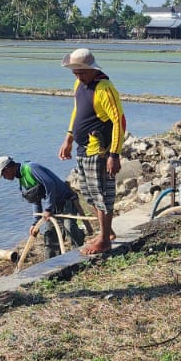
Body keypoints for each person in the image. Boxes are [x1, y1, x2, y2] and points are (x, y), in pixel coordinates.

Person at [59, 47, 126, 256]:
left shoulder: (104, 88)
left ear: (93, 69)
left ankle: (104, 240)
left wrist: (114, 154)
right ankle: (107, 232)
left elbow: (119, 121)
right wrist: (68, 138)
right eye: (75, 72)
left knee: (102, 193)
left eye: (82, 72)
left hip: (99, 150)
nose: (79, 76)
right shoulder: (79, 84)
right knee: (89, 194)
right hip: (82, 148)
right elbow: (77, 111)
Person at [0, 154, 87, 257]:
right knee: (50, 236)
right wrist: (35, 223)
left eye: (3, 175)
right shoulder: (22, 180)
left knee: (69, 228)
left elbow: (50, 185)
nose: (5, 178)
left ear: (7, 169)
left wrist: (47, 209)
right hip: (53, 207)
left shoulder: (31, 168)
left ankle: (80, 254)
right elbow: (35, 200)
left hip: (66, 200)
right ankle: (53, 263)